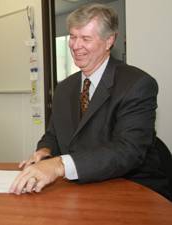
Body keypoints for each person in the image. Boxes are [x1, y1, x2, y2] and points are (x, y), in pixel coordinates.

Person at [9, 4, 171, 200]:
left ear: (109, 40)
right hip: (82, 189)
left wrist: (60, 164)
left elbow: (128, 151)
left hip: (134, 189)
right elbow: (53, 134)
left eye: (85, 38)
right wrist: (45, 150)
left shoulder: (137, 84)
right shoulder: (64, 87)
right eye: (73, 37)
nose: (76, 46)